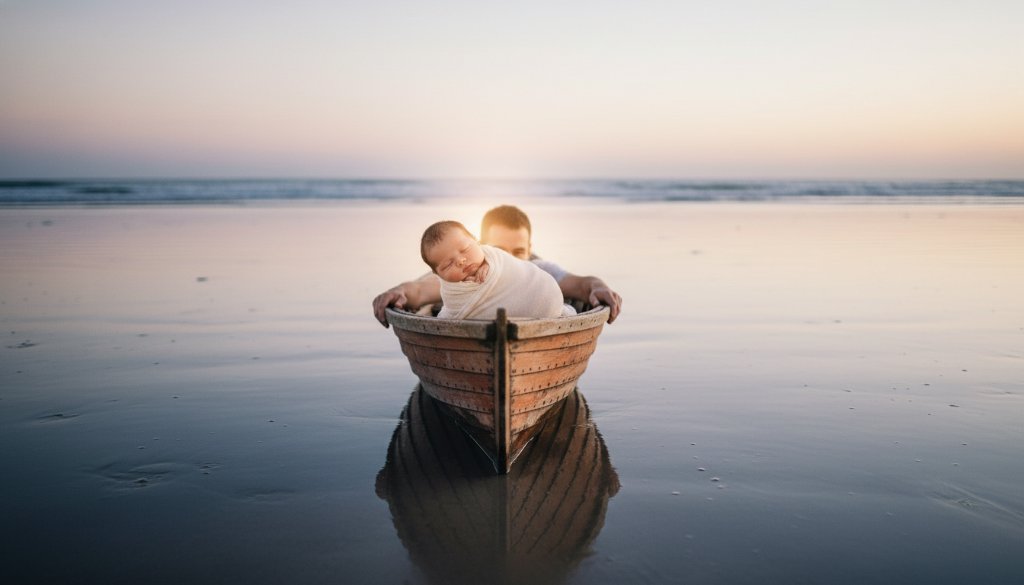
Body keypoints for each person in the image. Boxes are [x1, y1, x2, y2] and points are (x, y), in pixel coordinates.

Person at [373, 205, 623, 327]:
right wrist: (398, 293)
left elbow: (581, 284)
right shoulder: (462, 278)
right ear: (483, 247)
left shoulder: (537, 273)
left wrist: (598, 288)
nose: (510, 258)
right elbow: (419, 290)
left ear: (529, 247)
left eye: (519, 251)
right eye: (500, 251)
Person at [420, 220, 573, 320]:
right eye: (447, 265)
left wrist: (491, 267)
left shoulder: (495, 258)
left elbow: (508, 266)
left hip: (539, 299)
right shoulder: (450, 292)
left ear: (476, 240)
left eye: (465, 249)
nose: (461, 261)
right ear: (438, 274)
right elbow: (451, 311)